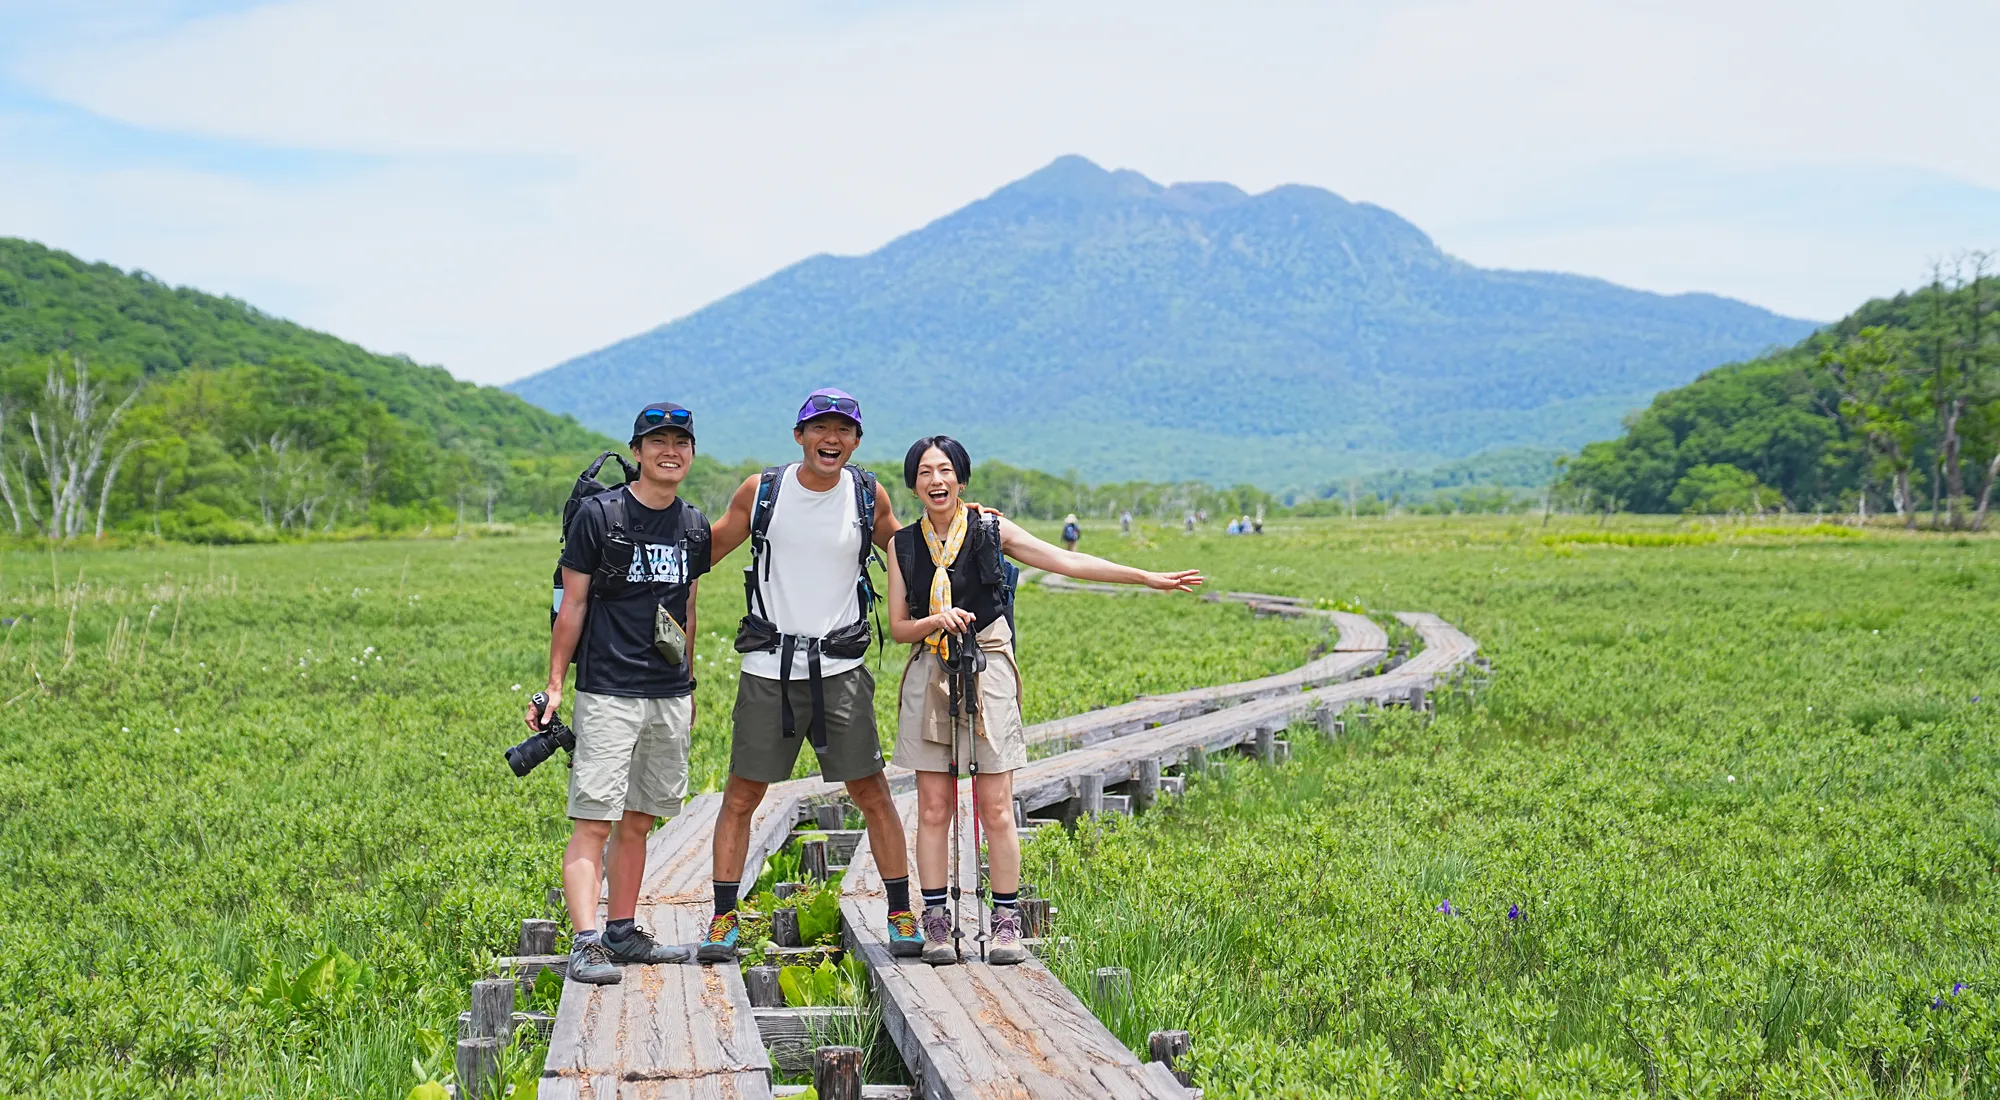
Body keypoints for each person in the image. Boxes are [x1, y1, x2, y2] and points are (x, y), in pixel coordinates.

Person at [887, 436, 1203, 965]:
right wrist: (934, 621)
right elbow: (899, 627)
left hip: (987, 667)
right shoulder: (903, 545)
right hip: (930, 669)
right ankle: (937, 921)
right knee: (934, 806)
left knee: (995, 806)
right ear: (913, 484)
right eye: (924, 472)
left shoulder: (990, 529)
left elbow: (1063, 561)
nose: (935, 480)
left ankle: (1005, 921)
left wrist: (1144, 577)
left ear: (961, 481)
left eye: (945, 470)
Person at [696, 388, 927, 962]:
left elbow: (909, 553)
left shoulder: (866, 494)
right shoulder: (763, 492)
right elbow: (699, 554)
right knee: (742, 793)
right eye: (820, 428)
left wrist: (970, 531)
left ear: (856, 440)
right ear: (798, 435)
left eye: (844, 430)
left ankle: (901, 910)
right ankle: (723, 918)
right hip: (768, 669)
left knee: (871, 791)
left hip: (841, 669)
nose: (832, 439)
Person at [525, 401, 709, 985]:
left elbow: (689, 609)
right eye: (657, 441)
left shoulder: (694, 525)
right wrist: (555, 683)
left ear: (691, 453)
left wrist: (690, 681)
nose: (669, 450)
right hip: (607, 688)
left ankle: (623, 933)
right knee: (593, 818)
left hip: (667, 692)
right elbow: (572, 604)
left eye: (680, 442)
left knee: (639, 820)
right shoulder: (600, 517)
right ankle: (585, 942)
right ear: (636, 452)